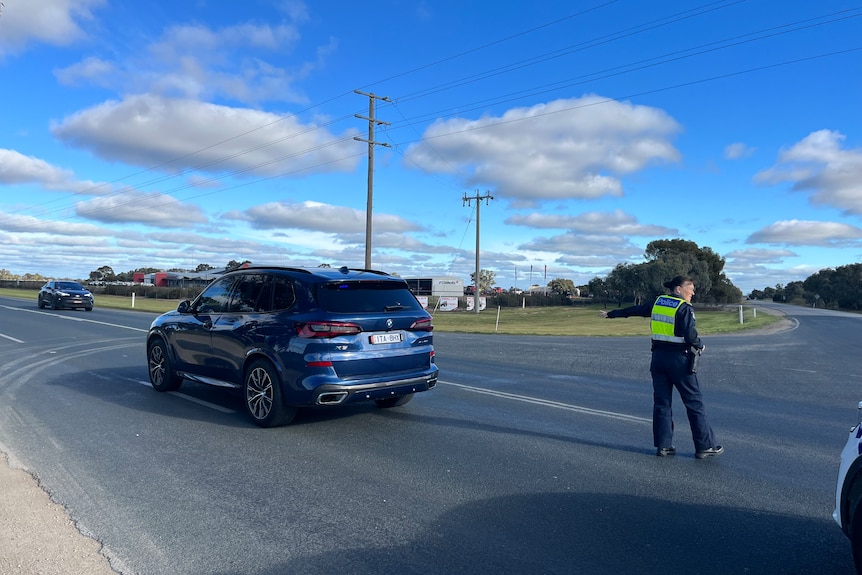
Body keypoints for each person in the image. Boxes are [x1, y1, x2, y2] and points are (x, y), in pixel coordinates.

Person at [600, 275, 723, 459]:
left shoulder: (658, 302)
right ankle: (704, 446)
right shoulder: (683, 307)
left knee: (662, 403)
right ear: (679, 289)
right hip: (680, 361)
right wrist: (699, 345)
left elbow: (636, 310)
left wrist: (611, 314)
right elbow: (691, 335)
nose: (693, 292)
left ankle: (664, 446)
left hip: (658, 359)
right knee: (694, 403)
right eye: (691, 288)